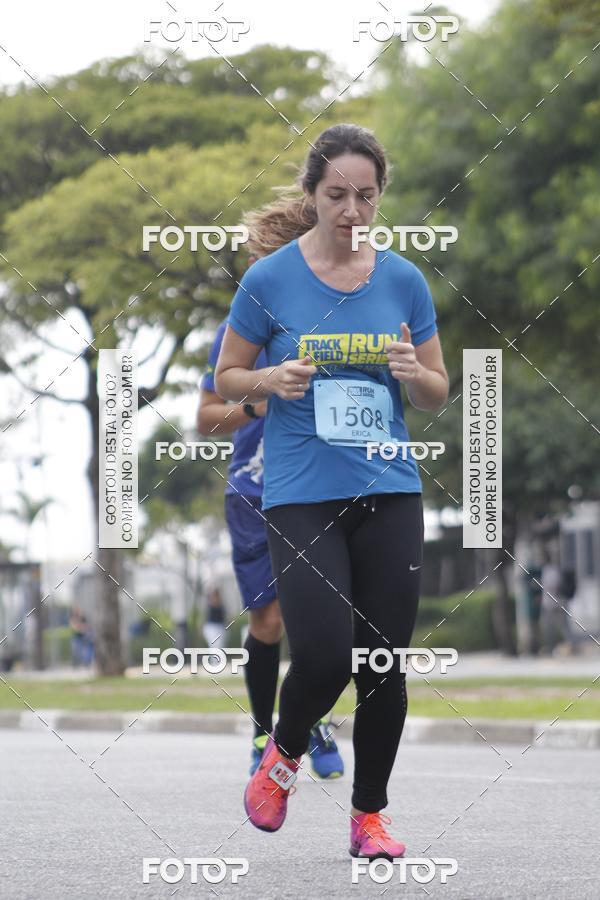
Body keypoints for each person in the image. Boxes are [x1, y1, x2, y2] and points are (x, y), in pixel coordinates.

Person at [215, 123, 448, 859]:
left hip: (390, 487)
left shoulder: (404, 279)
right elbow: (227, 378)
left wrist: (416, 374)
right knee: (323, 654)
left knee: (383, 659)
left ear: (381, 198)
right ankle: (281, 757)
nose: (353, 210)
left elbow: (440, 392)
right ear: (313, 195)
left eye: (367, 196)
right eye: (338, 195)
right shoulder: (270, 281)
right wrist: (267, 380)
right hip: (302, 494)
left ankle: (369, 817)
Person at [198, 310, 344, 778]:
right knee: (270, 619)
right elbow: (205, 418)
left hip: (319, 486)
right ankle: (264, 732)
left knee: (316, 616)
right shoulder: (238, 329)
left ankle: (308, 720)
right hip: (254, 491)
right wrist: (253, 406)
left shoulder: (332, 318)